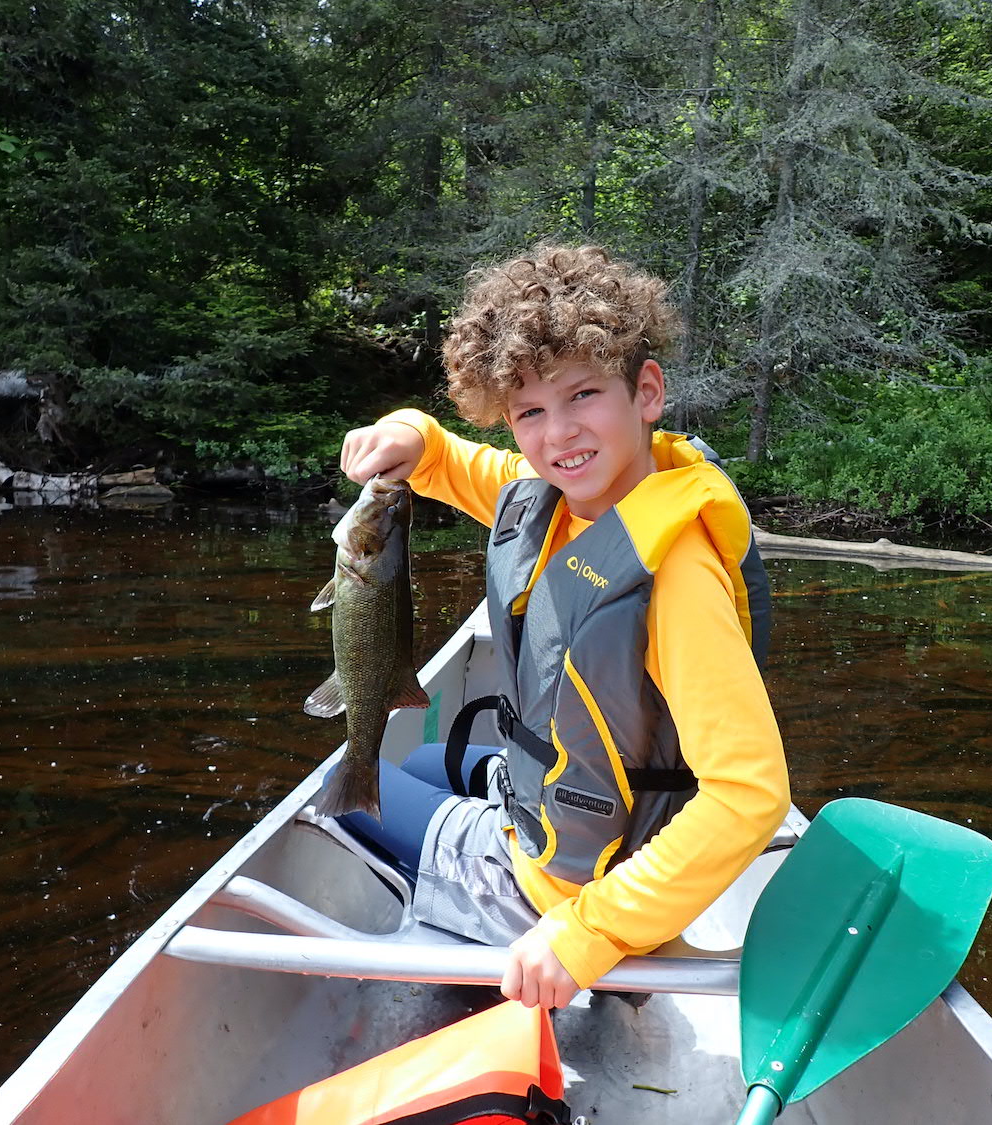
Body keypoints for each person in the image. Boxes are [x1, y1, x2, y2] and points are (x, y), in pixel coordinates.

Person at [335, 244, 788, 1010]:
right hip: (581, 821)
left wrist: (585, 933)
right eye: (530, 413)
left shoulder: (678, 575)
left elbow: (750, 795)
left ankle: (474, 942)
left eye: (583, 394)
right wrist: (409, 431)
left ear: (647, 390)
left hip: (569, 892)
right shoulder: (559, 494)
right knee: (421, 764)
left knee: (343, 789)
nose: (559, 435)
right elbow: (449, 461)